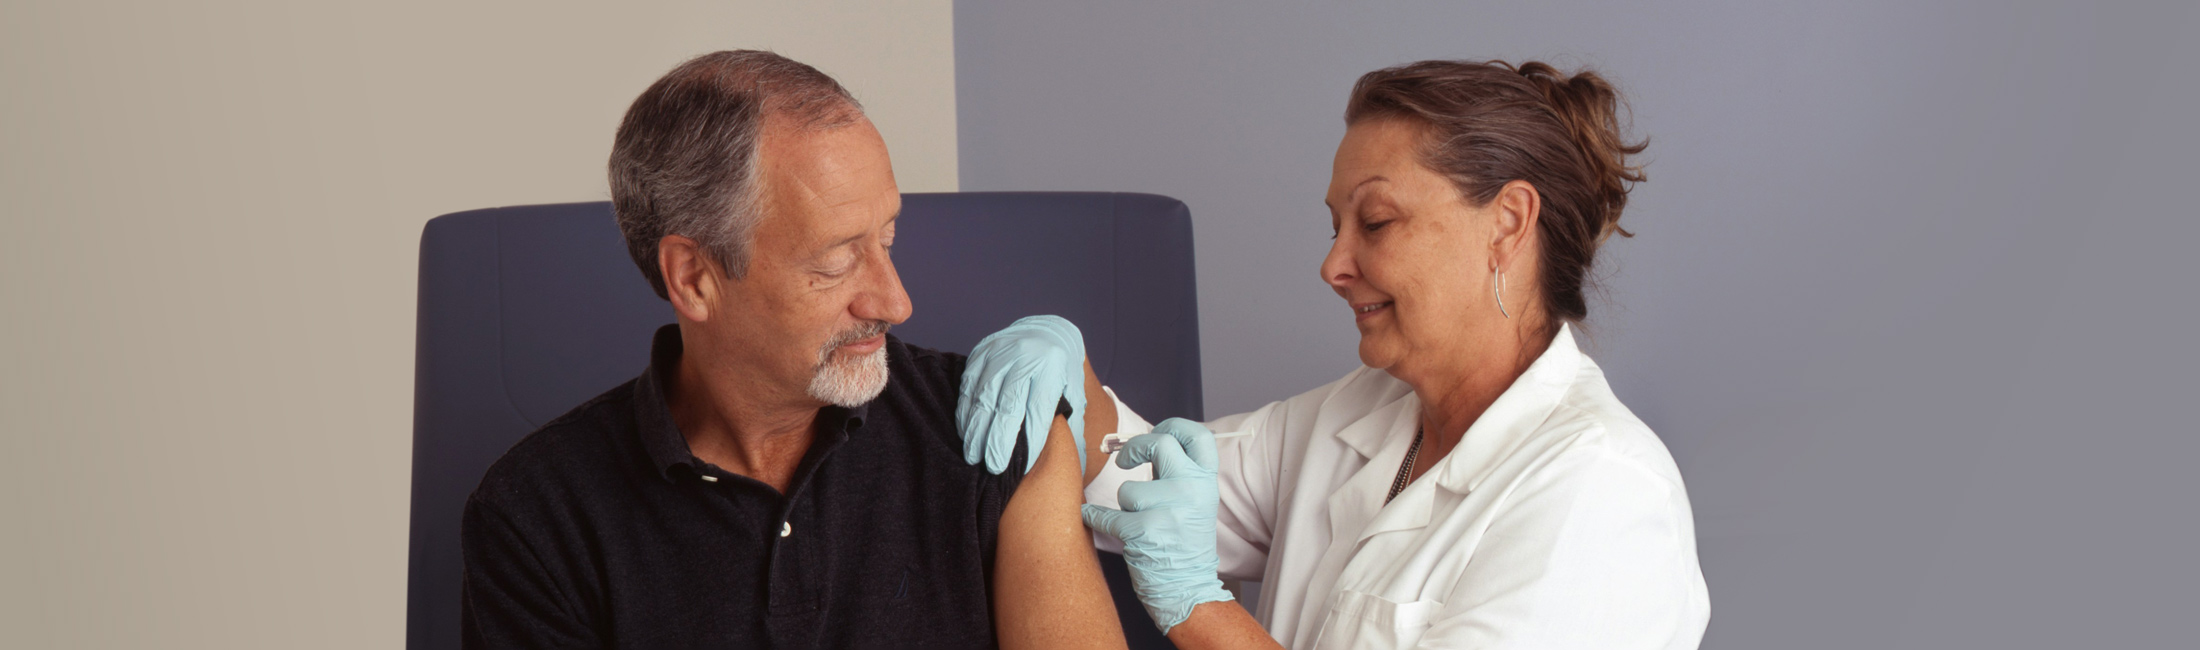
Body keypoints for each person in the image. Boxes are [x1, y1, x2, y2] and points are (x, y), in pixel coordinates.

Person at [959, 60, 1711, 648]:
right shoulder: (1359, 414)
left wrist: (1198, 608)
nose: (1333, 266)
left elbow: (1177, 559)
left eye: (1376, 222)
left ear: (1508, 224)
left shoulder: (1601, 494)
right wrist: (1067, 372)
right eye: (1334, 226)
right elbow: (1139, 477)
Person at [458, 50, 1125, 649]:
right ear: (694, 278)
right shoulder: (536, 516)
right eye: (836, 262)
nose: (894, 303)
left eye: (887, 240)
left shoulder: (996, 432)